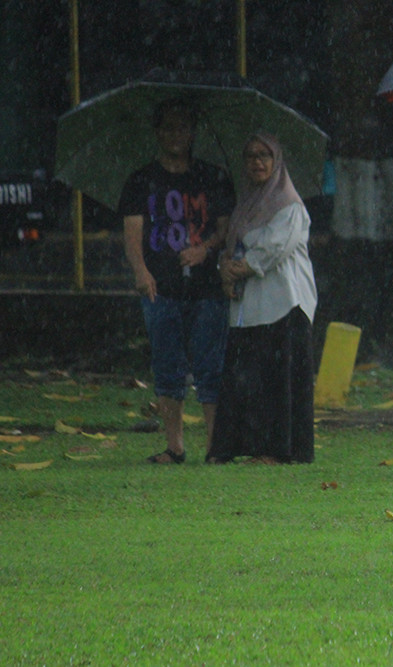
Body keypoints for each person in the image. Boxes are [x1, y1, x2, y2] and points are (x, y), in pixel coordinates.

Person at [118, 98, 235, 464]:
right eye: (168, 127)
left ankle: (215, 446)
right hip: (162, 287)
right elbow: (132, 233)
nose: (175, 134)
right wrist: (141, 271)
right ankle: (175, 446)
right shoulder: (140, 180)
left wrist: (205, 249)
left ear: (193, 132)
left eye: (182, 127)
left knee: (211, 367)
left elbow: (226, 228)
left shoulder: (212, 177)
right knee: (167, 366)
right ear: (157, 132)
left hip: (208, 287)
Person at [206, 132, 318, 464]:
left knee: (277, 382)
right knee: (248, 381)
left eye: (264, 155)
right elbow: (235, 246)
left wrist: (237, 269)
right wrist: (226, 267)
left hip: (284, 305)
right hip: (250, 308)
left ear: (276, 161)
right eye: (251, 156)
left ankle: (278, 450)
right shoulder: (246, 205)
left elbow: (273, 250)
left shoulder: (289, 206)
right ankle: (242, 446)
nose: (257, 162)